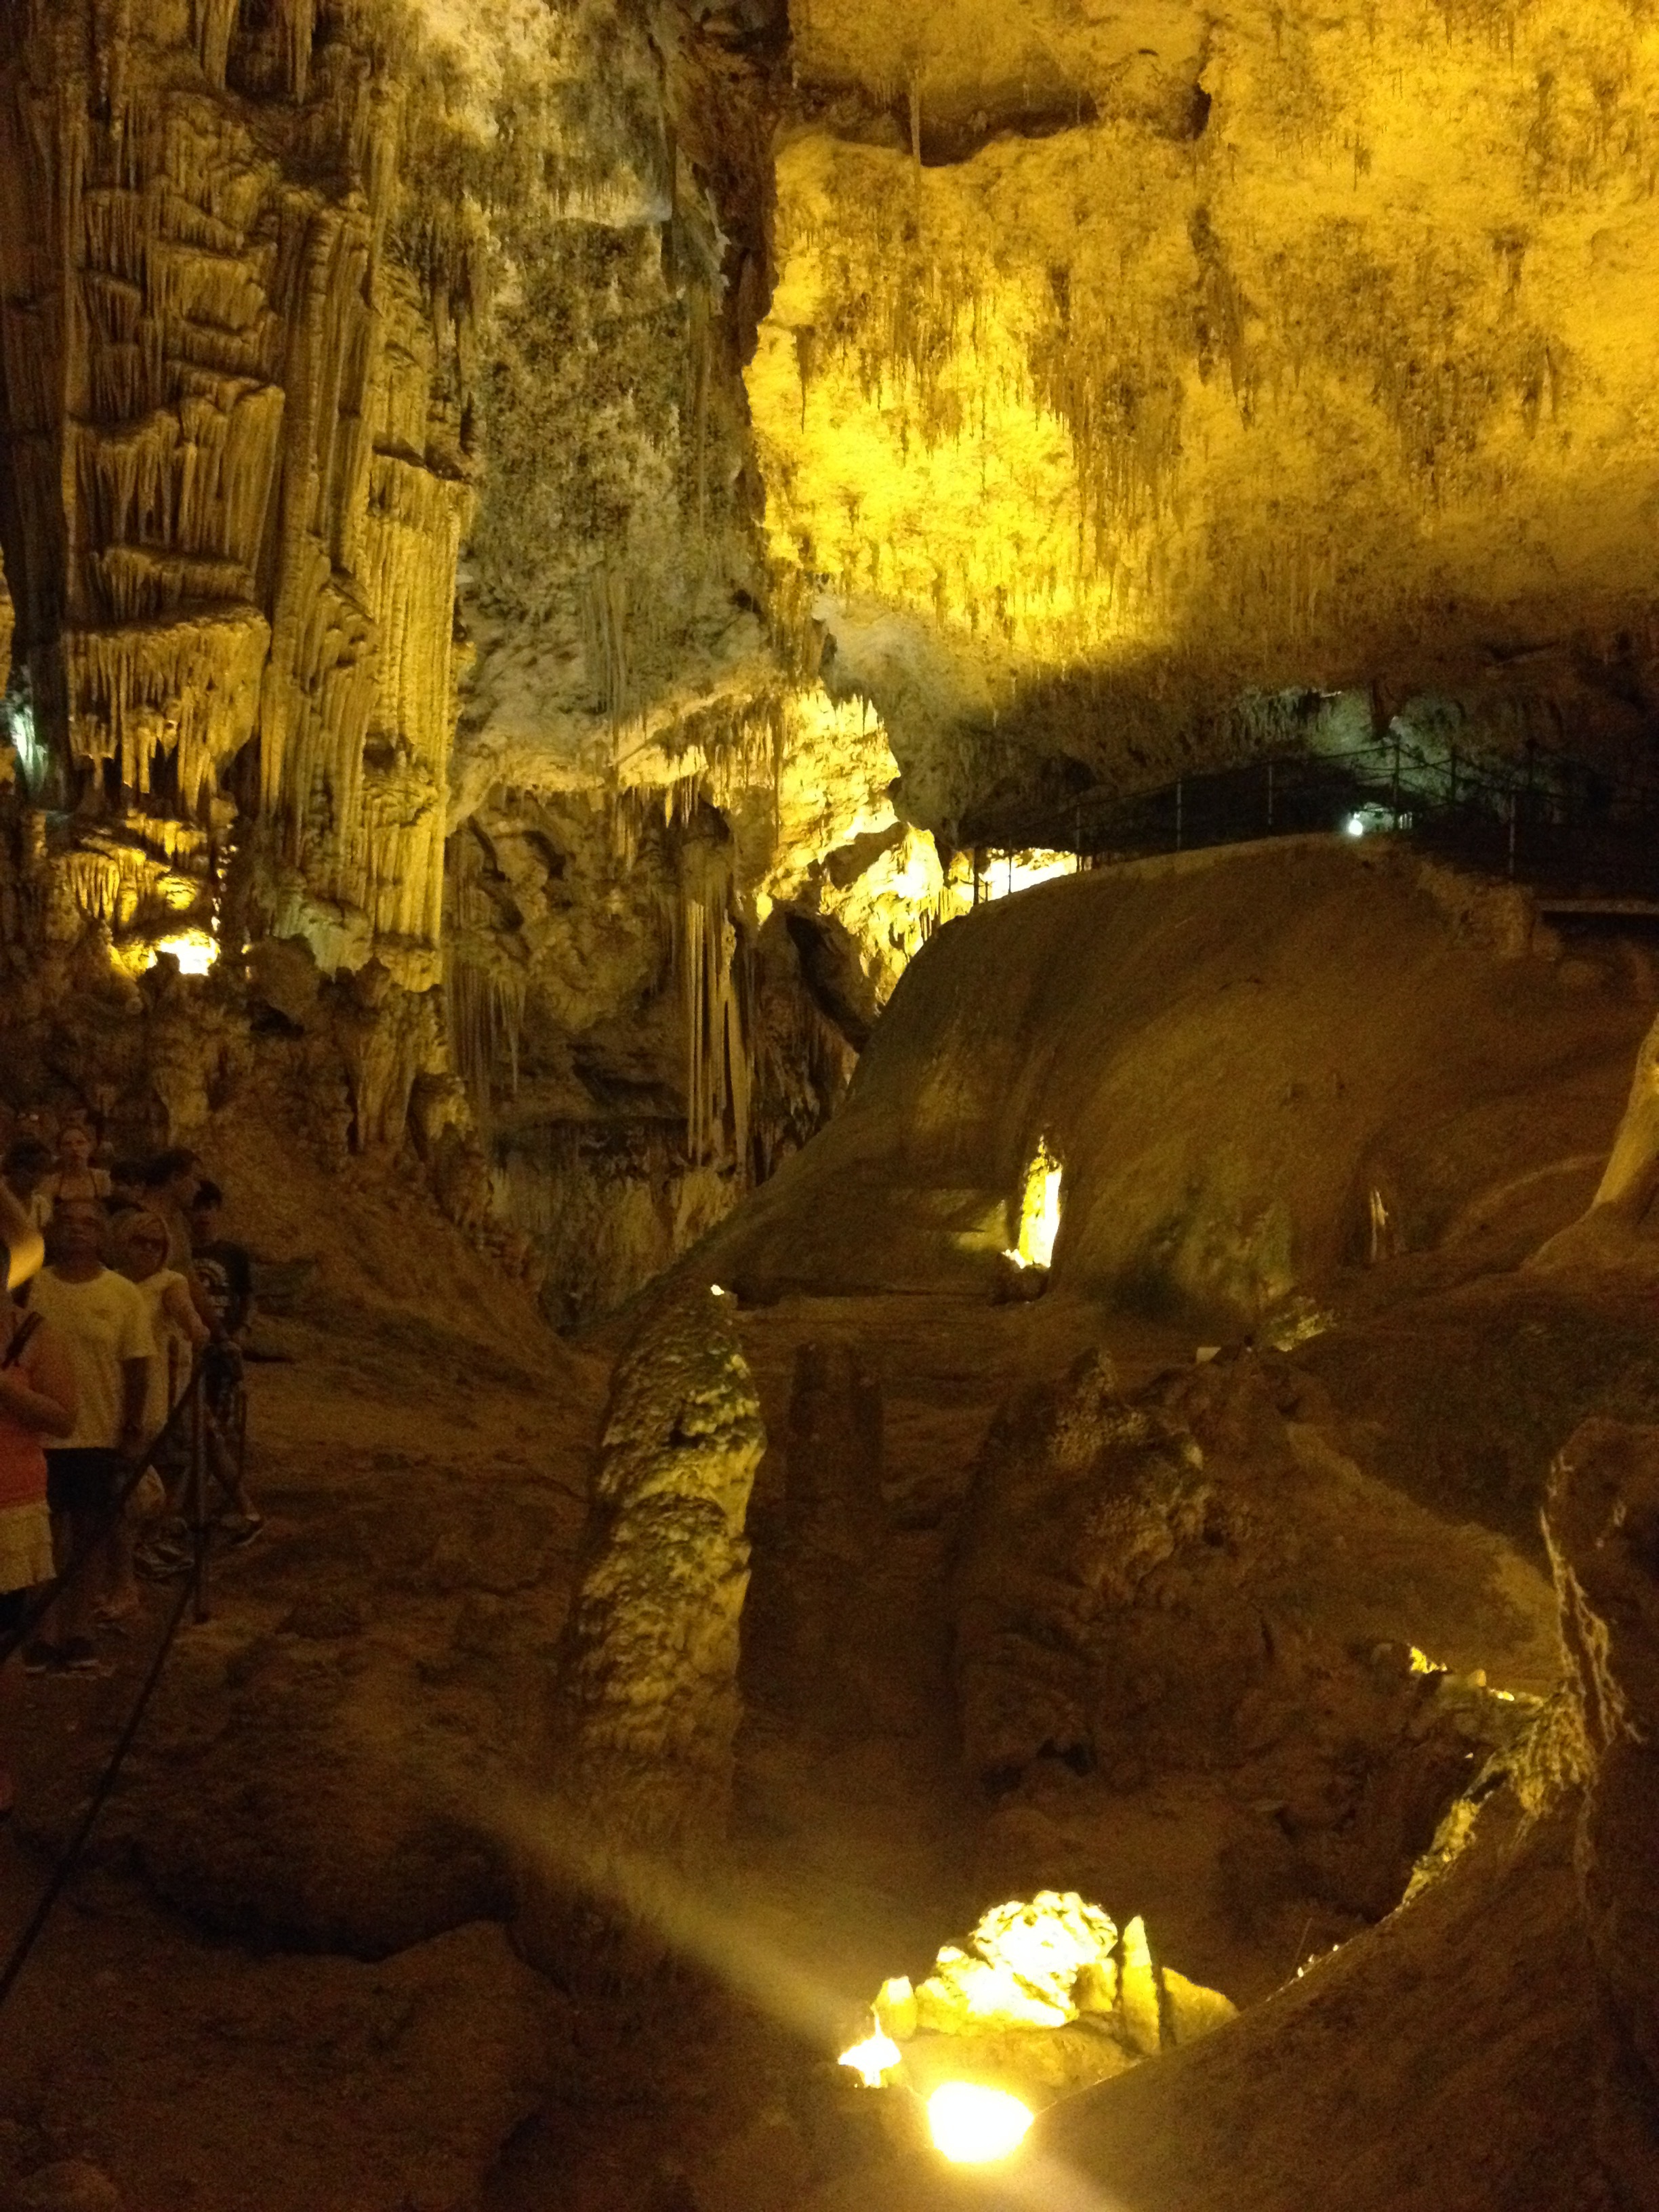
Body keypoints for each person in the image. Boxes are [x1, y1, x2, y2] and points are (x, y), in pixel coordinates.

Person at [24, 1202, 153, 1671]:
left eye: (89, 1224)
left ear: (103, 1237)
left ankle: (79, 1631)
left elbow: (136, 1365)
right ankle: (44, 1631)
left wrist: (131, 1428)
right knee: (43, 1538)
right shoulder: (31, 1290)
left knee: (89, 1537)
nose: (78, 1231)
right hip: (37, 1434)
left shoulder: (122, 1294)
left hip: (97, 1431)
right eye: (68, 1223)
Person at [0, 1290, 75, 1807]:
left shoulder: (32, 1331)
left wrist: (6, 1390)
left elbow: (64, 1417)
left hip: (6, 1502)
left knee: (0, 1640)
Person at [39, 1123, 111, 1213]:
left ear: (90, 1146)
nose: (74, 1148)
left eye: (80, 1143)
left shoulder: (102, 1178)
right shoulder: (50, 1182)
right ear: (59, 1150)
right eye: (67, 1144)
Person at [2, 1139, 54, 1241]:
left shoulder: (41, 1205)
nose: (37, 1178)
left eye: (42, 1172)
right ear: (13, 1167)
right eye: (31, 1170)